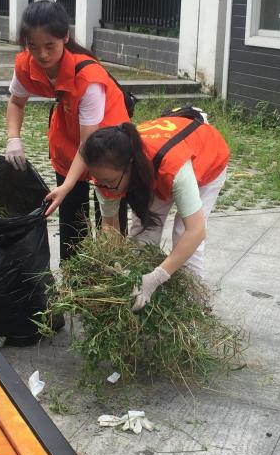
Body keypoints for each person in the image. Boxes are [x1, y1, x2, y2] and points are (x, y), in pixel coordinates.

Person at [4, 0, 130, 260]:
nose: (42, 54)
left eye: (50, 46)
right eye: (33, 46)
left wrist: (69, 184)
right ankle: (73, 272)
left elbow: (88, 143)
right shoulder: (25, 65)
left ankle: (113, 269)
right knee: (71, 217)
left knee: (109, 215)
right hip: (70, 132)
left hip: (107, 138)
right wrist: (13, 137)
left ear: (65, 37)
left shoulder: (88, 78)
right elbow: (16, 102)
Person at [77, 111, 230, 310]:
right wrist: (113, 260)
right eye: (100, 181)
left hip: (206, 157)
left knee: (183, 234)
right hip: (154, 165)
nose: (105, 186)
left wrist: (156, 277)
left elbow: (196, 231)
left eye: (110, 181)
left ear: (130, 165)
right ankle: (139, 294)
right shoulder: (106, 175)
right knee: (143, 233)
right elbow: (109, 225)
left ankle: (193, 306)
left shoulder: (172, 167)